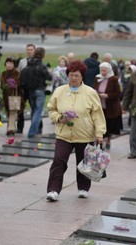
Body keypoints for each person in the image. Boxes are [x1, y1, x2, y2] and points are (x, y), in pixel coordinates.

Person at [46, 60, 106, 201]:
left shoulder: (90, 92)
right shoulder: (59, 91)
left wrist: (99, 133)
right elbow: (51, 109)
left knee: (84, 162)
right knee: (58, 160)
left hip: (84, 134)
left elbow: (97, 114)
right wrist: (59, 118)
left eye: (76, 75)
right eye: (71, 75)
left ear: (82, 76)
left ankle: (83, 188)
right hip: (64, 134)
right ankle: (53, 190)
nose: (73, 78)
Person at [94, 62, 122, 150]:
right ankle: (101, 142)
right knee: (100, 125)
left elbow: (117, 93)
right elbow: (94, 87)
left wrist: (107, 95)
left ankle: (108, 140)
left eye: (105, 70)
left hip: (111, 107)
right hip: (100, 106)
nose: (103, 72)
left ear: (108, 70)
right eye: (101, 70)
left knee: (109, 126)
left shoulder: (113, 79)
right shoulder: (97, 78)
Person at [26, 47, 52, 138]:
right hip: (40, 90)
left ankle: (35, 131)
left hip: (30, 90)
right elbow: (49, 77)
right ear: (43, 55)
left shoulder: (29, 63)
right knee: (38, 111)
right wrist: (50, 72)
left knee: (34, 111)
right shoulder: (41, 65)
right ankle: (32, 132)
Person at [0, 57, 24, 136]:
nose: (9, 65)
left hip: (15, 96)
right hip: (6, 97)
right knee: (9, 113)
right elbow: (2, 85)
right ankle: (12, 127)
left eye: (11, 63)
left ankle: (10, 129)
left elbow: (19, 84)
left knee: (13, 112)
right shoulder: (3, 73)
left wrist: (13, 84)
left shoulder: (17, 73)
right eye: (7, 63)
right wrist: (6, 85)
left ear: (14, 65)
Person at [17, 43, 36, 133]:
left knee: (34, 108)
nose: (29, 51)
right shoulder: (22, 62)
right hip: (23, 89)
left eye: (31, 50)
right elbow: (18, 74)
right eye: (28, 50)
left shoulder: (37, 61)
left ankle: (36, 128)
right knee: (20, 109)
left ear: (34, 51)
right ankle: (20, 128)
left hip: (33, 89)